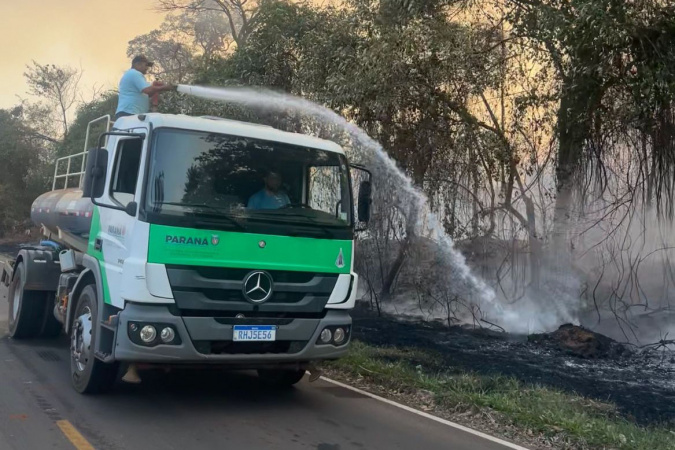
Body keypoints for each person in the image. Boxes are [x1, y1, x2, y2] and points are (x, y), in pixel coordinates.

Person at [115, 55, 176, 120]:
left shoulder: (130, 74)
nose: (147, 68)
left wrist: (157, 88)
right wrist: (164, 87)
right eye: (146, 65)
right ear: (138, 64)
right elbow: (147, 90)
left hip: (129, 112)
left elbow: (148, 93)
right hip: (130, 113)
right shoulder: (135, 73)